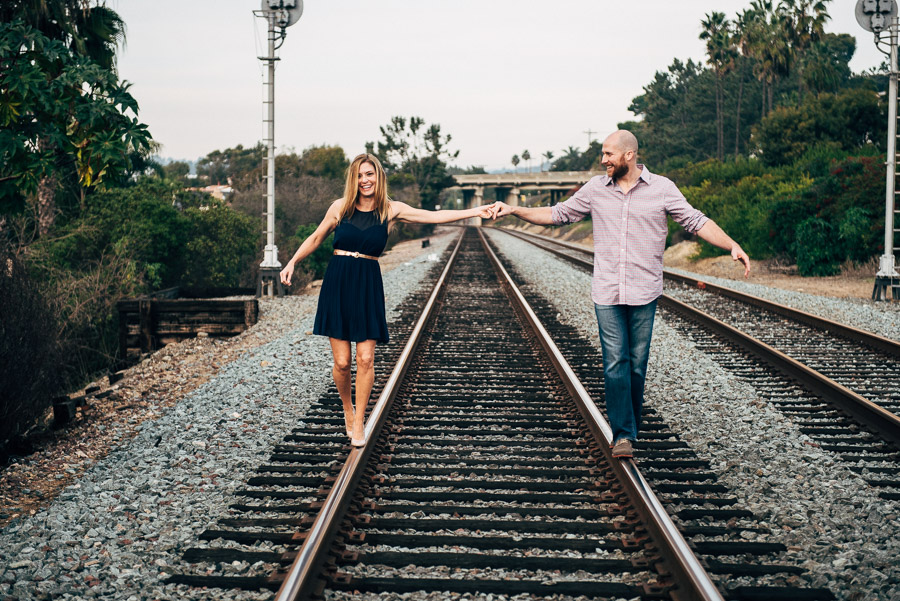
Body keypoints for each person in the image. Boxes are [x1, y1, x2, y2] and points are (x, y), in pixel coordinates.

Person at [493, 130, 750, 459]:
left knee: (636, 366)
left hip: (644, 290)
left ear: (629, 155)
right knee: (616, 362)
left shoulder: (662, 189)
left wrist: (731, 245)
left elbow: (696, 221)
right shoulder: (595, 190)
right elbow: (557, 215)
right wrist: (514, 210)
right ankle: (624, 434)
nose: (603, 160)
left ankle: (629, 425)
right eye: (603, 154)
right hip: (608, 291)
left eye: (608, 154)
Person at [280, 153, 496, 447]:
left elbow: (433, 216)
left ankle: (359, 422)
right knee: (342, 363)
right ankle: (347, 408)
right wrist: (292, 261)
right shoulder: (339, 207)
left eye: (369, 174)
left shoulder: (391, 210)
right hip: (338, 280)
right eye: (359, 175)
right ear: (352, 179)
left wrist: (475, 211)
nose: (364, 180)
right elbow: (317, 237)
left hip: (367, 282)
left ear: (378, 176)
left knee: (365, 358)